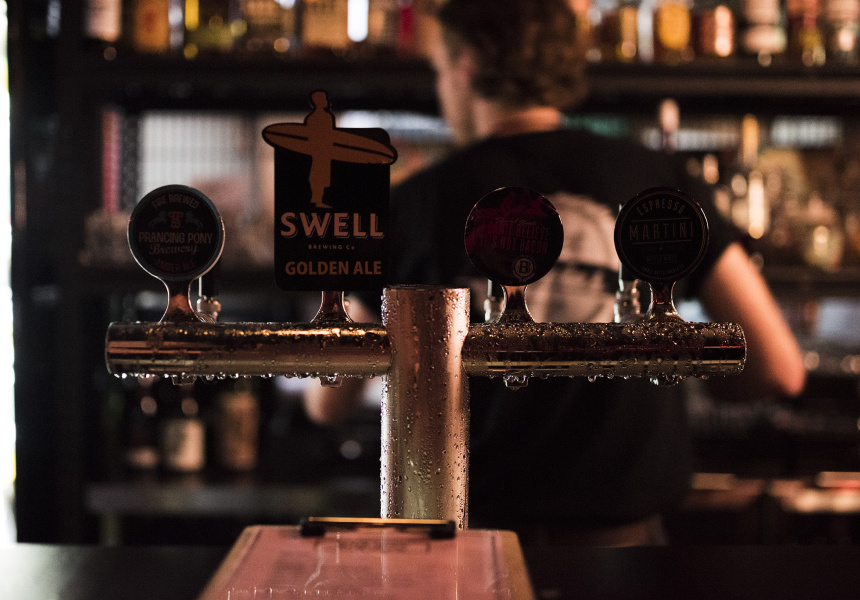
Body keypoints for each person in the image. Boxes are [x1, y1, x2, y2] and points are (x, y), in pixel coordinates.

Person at [305, 0, 806, 545]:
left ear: (466, 66)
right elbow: (778, 369)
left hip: (467, 543)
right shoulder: (657, 181)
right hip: (623, 545)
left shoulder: (415, 202)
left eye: (439, 71)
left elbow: (329, 401)